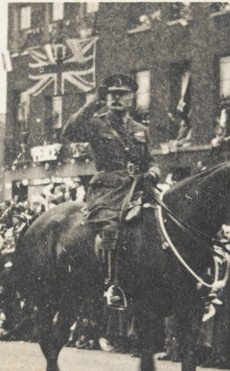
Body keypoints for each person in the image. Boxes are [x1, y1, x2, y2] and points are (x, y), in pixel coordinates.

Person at [63, 73, 160, 309]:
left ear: (131, 99)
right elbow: (70, 131)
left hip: (138, 185)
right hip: (108, 188)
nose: (116, 98)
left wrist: (154, 173)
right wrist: (94, 101)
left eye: (122, 94)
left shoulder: (140, 129)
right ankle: (111, 285)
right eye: (111, 94)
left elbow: (152, 160)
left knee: (162, 221)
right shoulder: (96, 124)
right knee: (111, 226)